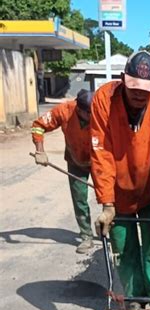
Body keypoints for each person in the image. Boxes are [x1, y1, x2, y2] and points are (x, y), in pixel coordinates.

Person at [91, 50, 150, 310]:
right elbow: (102, 154)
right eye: (134, 89)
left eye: (146, 90)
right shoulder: (103, 100)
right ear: (123, 78)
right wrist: (107, 205)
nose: (140, 95)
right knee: (124, 248)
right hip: (118, 195)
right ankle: (133, 300)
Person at [31, 89, 95, 253]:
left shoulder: (101, 111)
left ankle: (113, 232)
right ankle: (86, 235)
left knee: (108, 197)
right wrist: (40, 151)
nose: (94, 116)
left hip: (100, 161)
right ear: (79, 109)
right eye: (89, 113)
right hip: (76, 160)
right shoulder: (64, 110)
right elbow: (39, 126)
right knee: (79, 198)